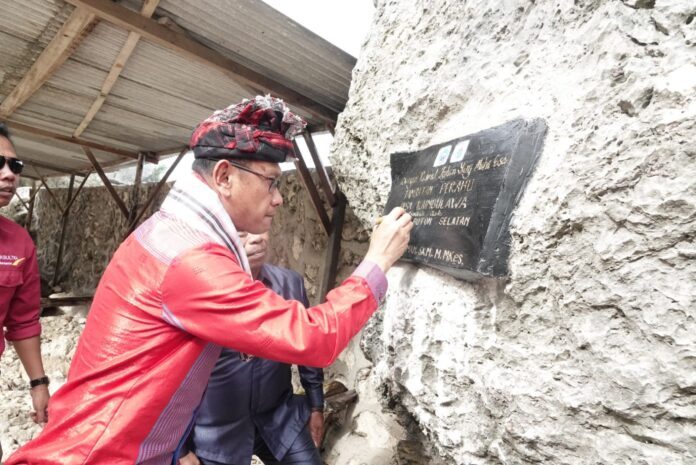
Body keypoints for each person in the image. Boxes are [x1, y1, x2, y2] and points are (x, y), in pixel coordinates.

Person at [6, 96, 412, 465]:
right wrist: (376, 261)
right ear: (223, 176)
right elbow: (311, 338)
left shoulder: (170, 233)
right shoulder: (192, 258)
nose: (279, 198)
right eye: (271, 181)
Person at [179, 232, 325, 465]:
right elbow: (175, 376)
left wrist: (316, 404)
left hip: (280, 417)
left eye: (260, 229)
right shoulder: (198, 295)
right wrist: (180, 448)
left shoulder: (289, 284)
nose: (256, 239)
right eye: (243, 234)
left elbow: (307, 345)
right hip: (217, 431)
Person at [0, 122, 50, 461]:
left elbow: (22, 321)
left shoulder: (18, 242)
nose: (9, 175)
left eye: (14, 165)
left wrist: (39, 384)